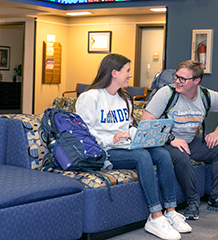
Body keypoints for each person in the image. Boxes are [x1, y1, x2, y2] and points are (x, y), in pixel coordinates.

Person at [75, 54, 191, 240]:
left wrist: (145, 135)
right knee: (142, 157)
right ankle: (155, 216)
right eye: (127, 71)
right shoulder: (91, 97)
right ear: (114, 73)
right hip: (104, 151)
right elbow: (83, 132)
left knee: (162, 153)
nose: (130, 75)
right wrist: (112, 138)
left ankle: (170, 210)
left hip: (126, 145)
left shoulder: (125, 98)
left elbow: (128, 126)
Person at [141, 60, 218, 220]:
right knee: (182, 156)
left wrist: (217, 132)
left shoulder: (206, 96)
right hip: (165, 143)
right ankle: (193, 202)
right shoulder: (166, 93)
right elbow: (146, 122)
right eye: (176, 77)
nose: (177, 81)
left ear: (196, 81)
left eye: (183, 79)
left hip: (190, 141)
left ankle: (217, 199)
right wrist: (171, 138)